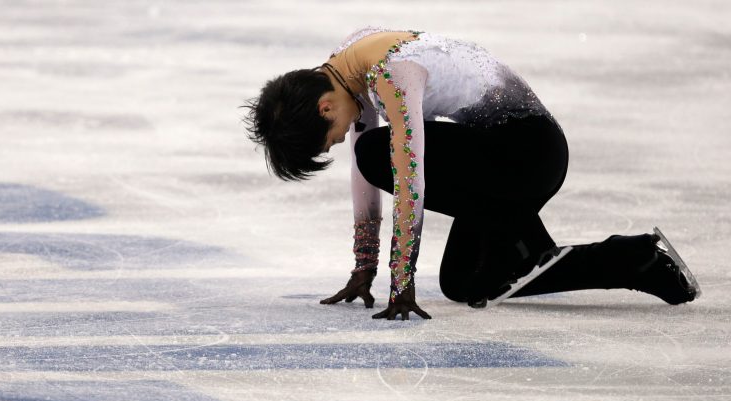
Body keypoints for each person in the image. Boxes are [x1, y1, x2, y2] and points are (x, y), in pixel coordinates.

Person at [243, 27, 700, 320]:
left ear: (325, 107)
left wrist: (400, 282)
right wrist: (365, 268)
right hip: (500, 160)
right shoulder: (346, 70)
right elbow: (371, 172)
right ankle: (632, 260)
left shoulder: (391, 75)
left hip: (527, 153)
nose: (338, 140)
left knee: (375, 153)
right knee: (467, 283)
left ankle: (529, 241)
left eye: (329, 137)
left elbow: (409, 179)